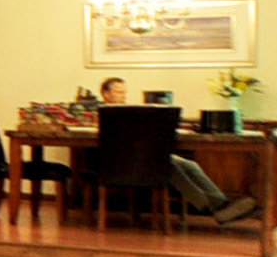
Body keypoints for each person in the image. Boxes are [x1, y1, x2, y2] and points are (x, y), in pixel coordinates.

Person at [96, 77, 258, 223]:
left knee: (189, 165)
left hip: (142, 157)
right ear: (106, 93)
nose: (123, 96)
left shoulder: (129, 112)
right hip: (117, 162)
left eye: (125, 92)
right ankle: (211, 208)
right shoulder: (98, 112)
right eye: (118, 92)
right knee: (168, 166)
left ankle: (222, 203)